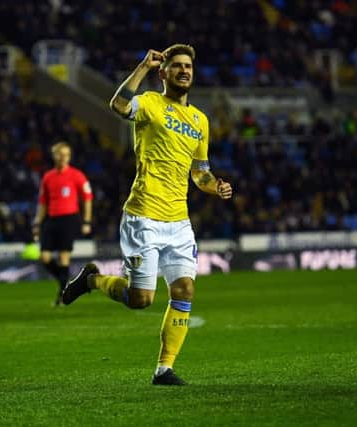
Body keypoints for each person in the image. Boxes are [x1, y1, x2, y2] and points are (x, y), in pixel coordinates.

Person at [62, 45, 232, 385]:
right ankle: (92, 280)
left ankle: (164, 369)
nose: (184, 71)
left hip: (179, 222)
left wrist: (216, 186)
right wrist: (142, 66)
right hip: (144, 217)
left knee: (184, 290)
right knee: (141, 300)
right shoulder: (151, 103)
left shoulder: (200, 121)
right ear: (164, 73)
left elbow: (200, 172)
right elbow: (119, 105)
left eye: (188, 66)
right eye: (176, 66)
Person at [32, 142, 93, 305]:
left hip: (70, 218)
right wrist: (38, 221)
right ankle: (65, 281)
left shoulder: (77, 175)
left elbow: (87, 198)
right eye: (60, 154)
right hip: (52, 219)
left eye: (66, 154)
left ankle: (62, 294)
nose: (63, 157)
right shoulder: (48, 176)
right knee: (44, 257)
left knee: (63, 256)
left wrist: (87, 220)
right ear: (55, 156)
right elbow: (43, 201)